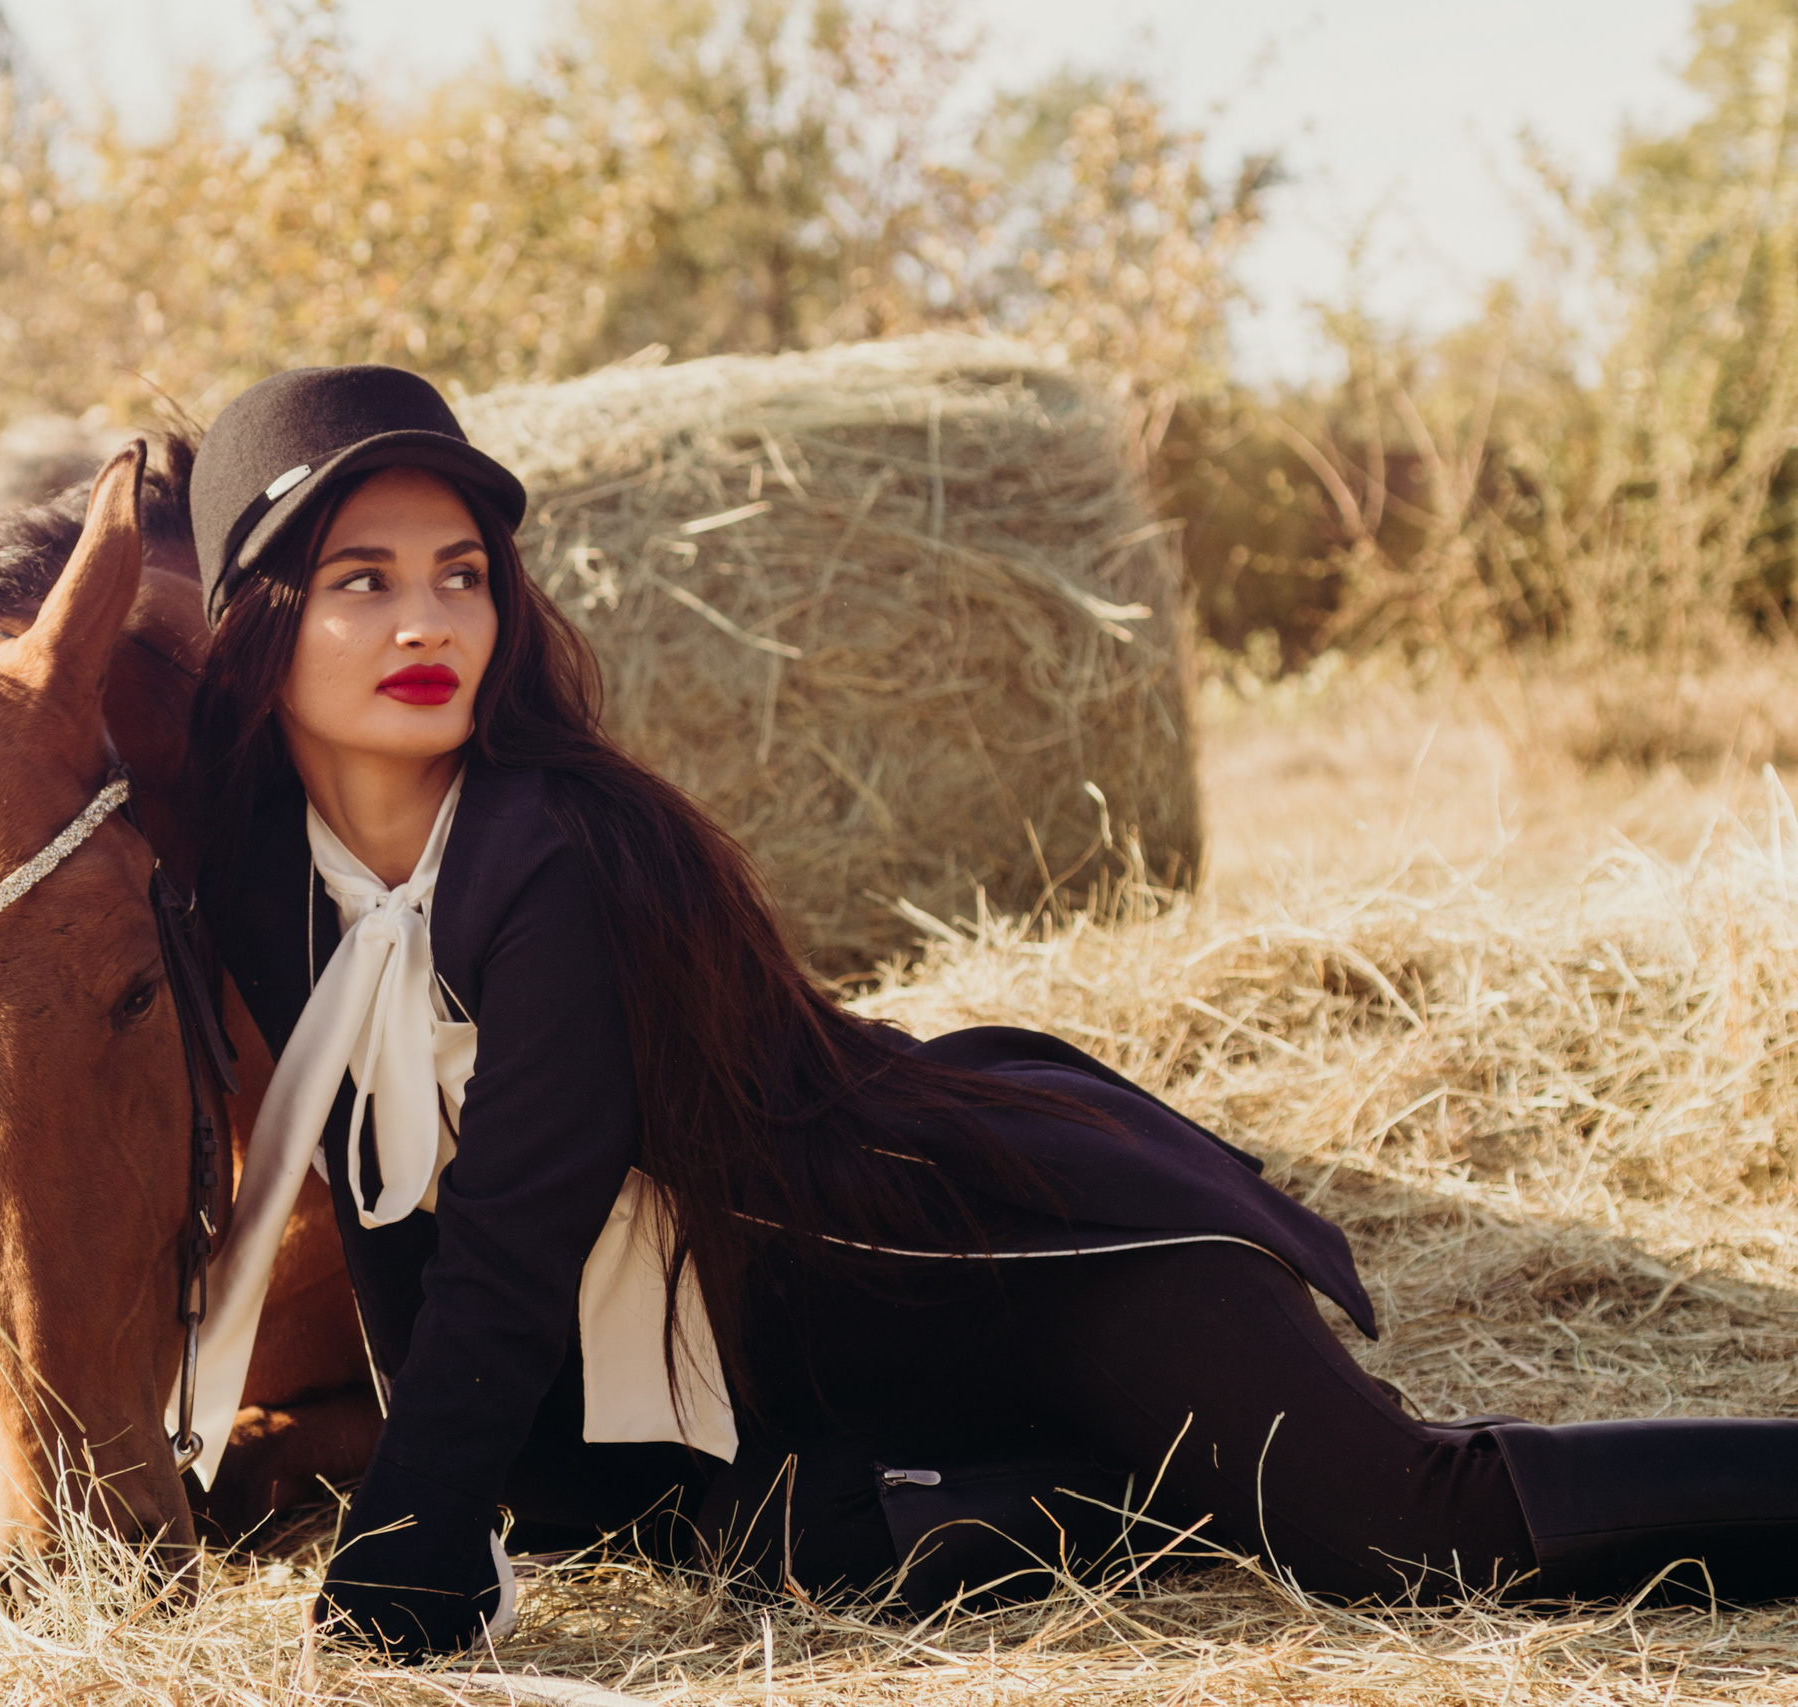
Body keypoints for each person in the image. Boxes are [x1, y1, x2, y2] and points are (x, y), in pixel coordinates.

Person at [177, 365, 1798, 1660]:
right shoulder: (268, 874)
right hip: (798, 1362)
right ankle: (1061, 1502)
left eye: (461, 573)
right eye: (359, 581)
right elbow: (377, 1214)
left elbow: (518, 1227)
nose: (426, 623)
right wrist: (437, 1494)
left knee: (1408, 1536)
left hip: (1007, 1258)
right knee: (744, 1536)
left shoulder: (557, 853)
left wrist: (409, 1537)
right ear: (258, 624)